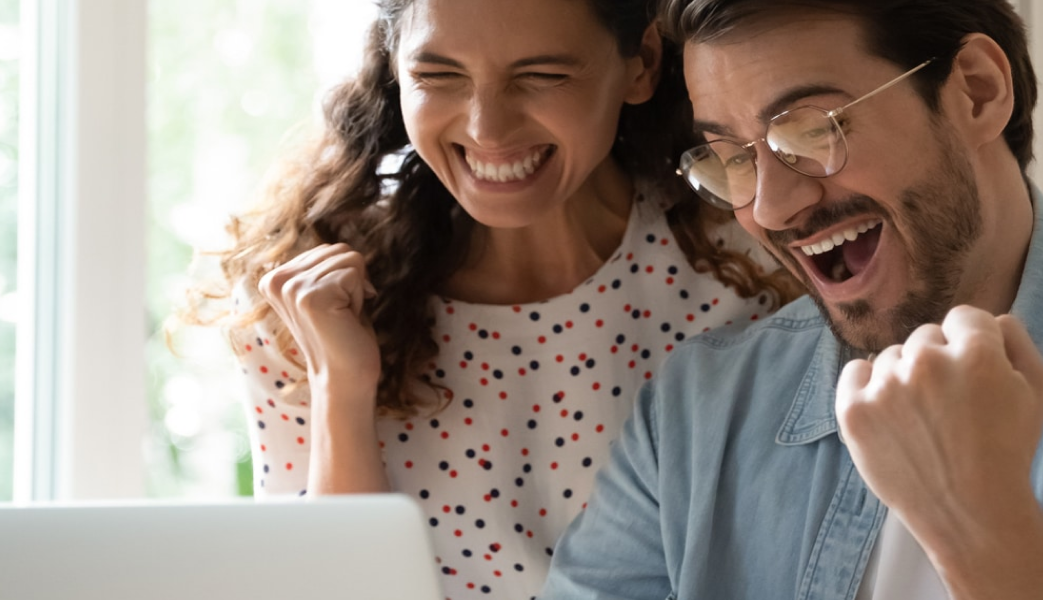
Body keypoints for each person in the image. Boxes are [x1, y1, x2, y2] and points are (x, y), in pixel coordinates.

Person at [177, 0, 797, 597]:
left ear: (640, 63)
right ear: (396, 68)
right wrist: (342, 387)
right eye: (437, 75)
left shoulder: (757, 269)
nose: (487, 128)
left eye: (543, 75)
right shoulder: (307, 312)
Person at [542, 0, 1043, 598]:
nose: (770, 208)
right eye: (731, 158)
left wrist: (984, 537)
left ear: (977, 92)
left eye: (810, 130)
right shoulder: (698, 411)